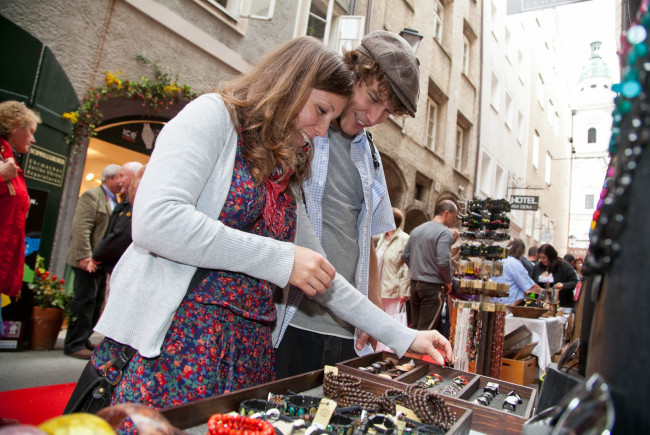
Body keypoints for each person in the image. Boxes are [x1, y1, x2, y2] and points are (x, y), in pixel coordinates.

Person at [85, 37, 453, 414]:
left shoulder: (282, 170)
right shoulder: (213, 115)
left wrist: (403, 336)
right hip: (174, 347)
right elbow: (157, 222)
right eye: (321, 110)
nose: (324, 130)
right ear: (291, 84)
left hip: (245, 357)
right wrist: (281, 258)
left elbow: (321, 274)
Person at [273, 30, 420, 379]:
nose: (373, 117)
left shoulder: (370, 157)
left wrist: (371, 313)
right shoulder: (304, 126)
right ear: (352, 72)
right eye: (372, 98)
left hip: (346, 331)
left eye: (387, 112)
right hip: (292, 320)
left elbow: (367, 242)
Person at [63, 163, 121, 359]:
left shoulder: (115, 200)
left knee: (95, 302)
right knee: (84, 301)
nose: (121, 182)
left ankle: (84, 338)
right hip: (86, 261)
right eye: (118, 177)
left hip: (98, 262)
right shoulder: (92, 196)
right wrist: (85, 256)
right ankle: (74, 344)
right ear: (108, 179)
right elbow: (81, 228)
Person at [0, 101, 41, 299]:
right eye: (31, 131)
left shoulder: (9, 161)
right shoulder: (6, 164)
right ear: (16, 125)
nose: (33, 140)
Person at [401, 199, 458, 331]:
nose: (454, 220)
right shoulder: (445, 233)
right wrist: (448, 281)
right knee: (425, 331)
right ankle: (416, 352)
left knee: (414, 327)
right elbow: (443, 261)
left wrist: (417, 269)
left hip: (415, 284)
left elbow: (405, 256)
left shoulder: (417, 230)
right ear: (446, 213)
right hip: (432, 286)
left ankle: (409, 352)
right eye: (454, 216)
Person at [92, 162, 144, 274]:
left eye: (121, 176)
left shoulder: (135, 204)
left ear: (134, 176)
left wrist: (96, 255)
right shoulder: (127, 202)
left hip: (120, 268)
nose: (119, 181)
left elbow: (121, 235)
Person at [376, 208, 411, 315]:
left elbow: (408, 267)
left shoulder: (405, 239)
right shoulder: (382, 237)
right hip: (377, 288)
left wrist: (404, 291)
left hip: (393, 290)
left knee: (389, 321)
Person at [491, 238, 542, 305]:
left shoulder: (498, 260)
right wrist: (545, 292)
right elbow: (529, 285)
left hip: (495, 302)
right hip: (509, 303)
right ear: (521, 252)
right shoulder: (515, 264)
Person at [531, 243, 578, 309]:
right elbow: (532, 282)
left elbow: (574, 281)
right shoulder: (537, 267)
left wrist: (563, 286)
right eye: (540, 257)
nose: (541, 260)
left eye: (544, 258)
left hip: (562, 304)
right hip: (541, 305)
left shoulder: (564, 265)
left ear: (551, 256)